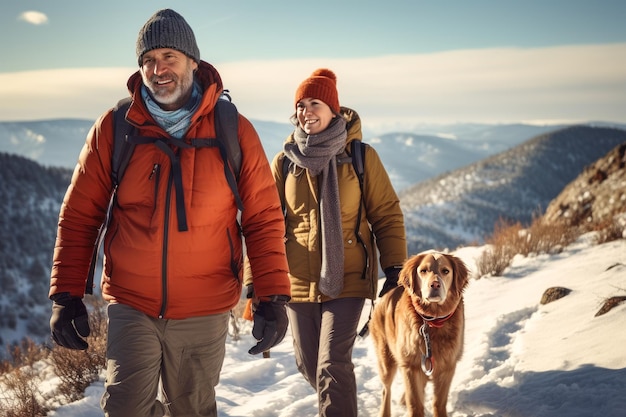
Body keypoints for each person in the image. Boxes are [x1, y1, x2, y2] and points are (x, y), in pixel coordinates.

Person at [48, 9, 290, 417]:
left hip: (205, 304)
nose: (157, 69)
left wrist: (271, 296)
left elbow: (263, 217)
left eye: (168, 57)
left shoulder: (232, 129)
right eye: (147, 61)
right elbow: (80, 213)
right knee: (125, 408)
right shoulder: (116, 127)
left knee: (193, 409)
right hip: (132, 301)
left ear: (193, 62)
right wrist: (66, 292)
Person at [271, 68, 407, 417]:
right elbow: (265, 225)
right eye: (300, 105)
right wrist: (259, 284)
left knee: (332, 364)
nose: (306, 112)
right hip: (297, 282)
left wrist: (394, 270)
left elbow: (387, 215)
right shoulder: (285, 162)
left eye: (315, 103)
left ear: (334, 109)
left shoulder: (361, 157)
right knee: (310, 365)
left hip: (348, 277)